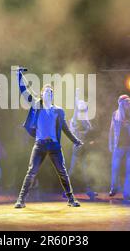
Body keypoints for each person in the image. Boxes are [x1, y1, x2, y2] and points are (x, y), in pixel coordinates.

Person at [14, 67, 83, 208]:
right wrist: (19, 75)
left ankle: (71, 199)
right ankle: (21, 200)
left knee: (62, 172)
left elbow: (65, 128)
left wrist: (75, 140)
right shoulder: (36, 105)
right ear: (41, 94)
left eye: (51, 92)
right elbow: (24, 91)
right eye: (46, 91)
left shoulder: (58, 111)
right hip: (39, 145)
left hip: (54, 146)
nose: (49, 93)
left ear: (52, 96)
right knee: (31, 172)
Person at [109, 94, 130, 201]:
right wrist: (110, 144)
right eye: (125, 102)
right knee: (115, 167)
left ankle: (128, 193)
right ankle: (114, 188)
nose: (127, 104)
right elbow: (111, 130)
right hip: (118, 146)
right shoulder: (115, 115)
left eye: (129, 102)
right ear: (120, 104)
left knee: (129, 170)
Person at [68, 88, 97, 200]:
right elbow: (76, 111)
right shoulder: (75, 120)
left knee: (86, 171)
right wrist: (77, 97)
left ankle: (89, 191)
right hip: (76, 147)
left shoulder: (86, 121)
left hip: (84, 147)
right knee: (72, 169)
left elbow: (90, 131)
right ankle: (67, 190)